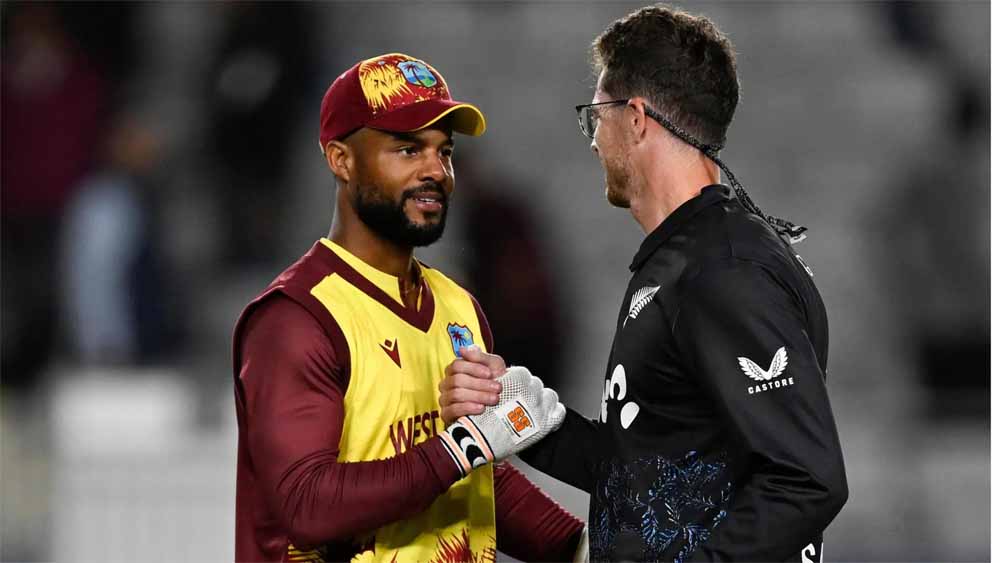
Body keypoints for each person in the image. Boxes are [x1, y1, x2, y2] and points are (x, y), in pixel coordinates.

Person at [439, 6, 848, 562]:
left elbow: (806, 479)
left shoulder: (723, 269)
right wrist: (520, 413)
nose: (593, 141)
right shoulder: (681, 261)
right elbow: (648, 476)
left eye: (596, 116)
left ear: (635, 118)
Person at [231, 53, 583, 563]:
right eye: (407, 149)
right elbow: (307, 504)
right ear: (341, 159)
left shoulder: (458, 306)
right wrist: (467, 445)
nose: (436, 170)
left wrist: (580, 547)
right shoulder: (297, 318)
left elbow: (470, 481)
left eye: (445, 151)